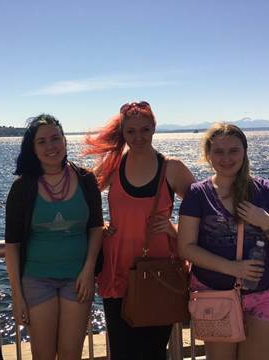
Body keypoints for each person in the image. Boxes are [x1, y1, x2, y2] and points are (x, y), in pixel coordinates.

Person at [84, 101, 194, 360]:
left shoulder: (172, 168)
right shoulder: (113, 166)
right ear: (123, 133)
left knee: (153, 351)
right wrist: (100, 226)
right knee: (122, 352)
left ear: (154, 128)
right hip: (117, 270)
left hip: (158, 273)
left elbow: (205, 210)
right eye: (131, 131)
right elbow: (82, 196)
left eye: (144, 129)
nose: (138, 137)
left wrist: (174, 227)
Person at [5, 114, 103, 360]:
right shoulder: (23, 187)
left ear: (65, 141)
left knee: (71, 354)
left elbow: (95, 228)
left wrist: (89, 269)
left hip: (77, 278)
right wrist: (17, 297)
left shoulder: (86, 180)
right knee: (43, 354)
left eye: (55, 138)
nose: (51, 146)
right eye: (42, 141)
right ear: (33, 149)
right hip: (37, 279)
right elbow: (12, 246)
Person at [178, 123, 269, 360]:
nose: (226, 158)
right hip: (215, 294)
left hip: (263, 294)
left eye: (234, 150)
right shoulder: (198, 193)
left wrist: (265, 221)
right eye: (219, 151)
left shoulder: (265, 190)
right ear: (208, 155)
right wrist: (231, 268)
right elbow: (186, 247)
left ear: (245, 151)